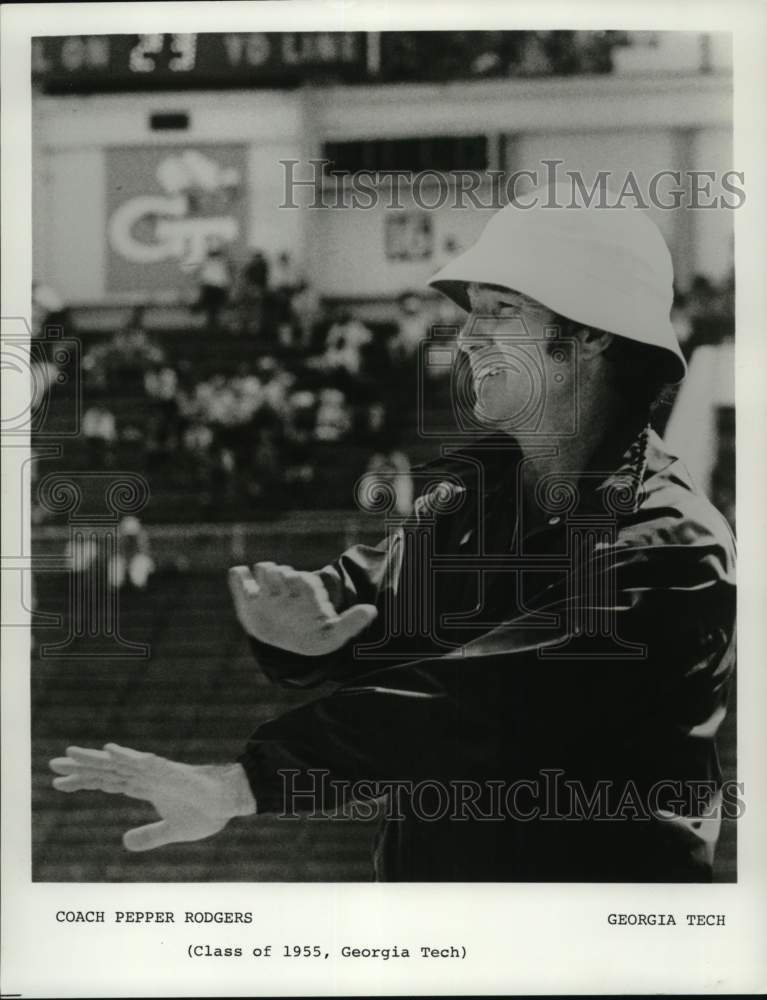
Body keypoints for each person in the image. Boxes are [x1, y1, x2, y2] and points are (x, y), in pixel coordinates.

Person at [50, 185, 736, 881]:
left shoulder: (672, 548)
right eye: (472, 311)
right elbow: (364, 599)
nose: (468, 335)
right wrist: (301, 637)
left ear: (592, 334)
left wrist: (240, 784)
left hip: (600, 949)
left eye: (501, 310)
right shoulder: (472, 497)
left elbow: (477, 709)